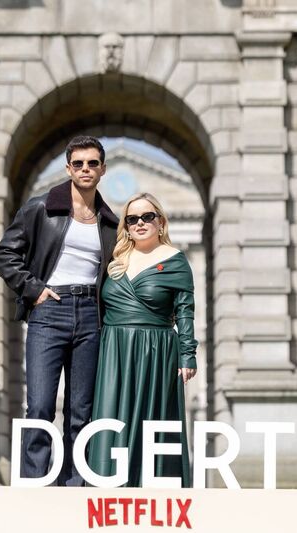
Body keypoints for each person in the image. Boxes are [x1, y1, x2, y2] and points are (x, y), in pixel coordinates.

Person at [0, 136, 119, 486]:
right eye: (78, 164)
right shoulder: (41, 208)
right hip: (51, 311)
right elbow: (5, 254)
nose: (85, 169)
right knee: (41, 407)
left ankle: (76, 484)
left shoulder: (110, 222)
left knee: (82, 411)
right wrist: (34, 290)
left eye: (92, 163)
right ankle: (35, 483)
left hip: (91, 316)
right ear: (68, 169)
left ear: (102, 169)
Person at [87, 192, 198, 487]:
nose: (140, 223)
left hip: (156, 351)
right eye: (132, 219)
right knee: (111, 420)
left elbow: (185, 311)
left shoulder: (176, 261)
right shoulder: (115, 258)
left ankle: (154, 495)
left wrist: (188, 354)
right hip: (114, 351)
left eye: (147, 217)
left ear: (160, 222)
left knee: (153, 422)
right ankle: (107, 495)